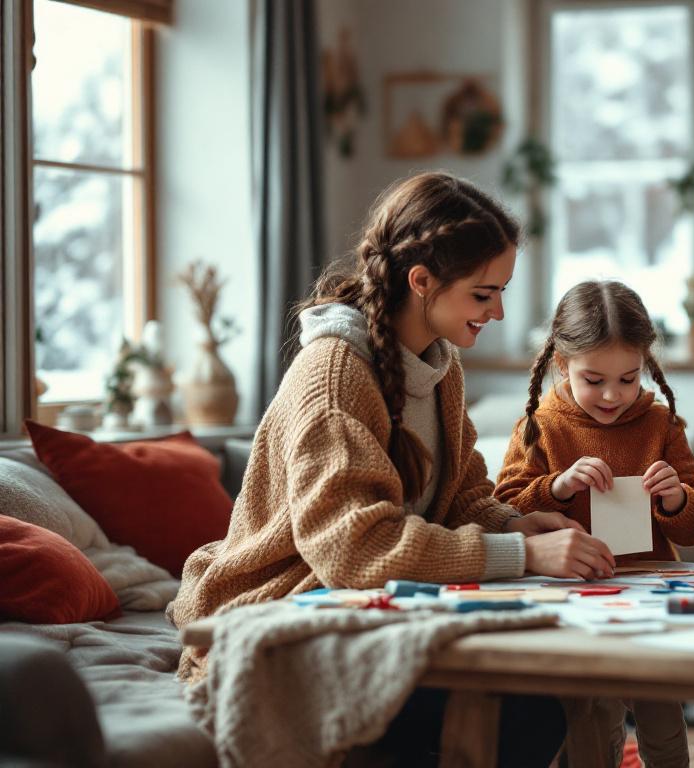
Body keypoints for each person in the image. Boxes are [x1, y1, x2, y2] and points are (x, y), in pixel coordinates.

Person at [168, 172, 615, 766]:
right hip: (285, 603)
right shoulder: (335, 376)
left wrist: (516, 525)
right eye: (484, 294)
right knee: (523, 710)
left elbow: (461, 498)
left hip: (367, 603)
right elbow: (353, 549)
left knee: (548, 686)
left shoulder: (439, 367)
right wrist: (522, 557)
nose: (500, 311)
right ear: (422, 281)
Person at [495, 279, 694, 768]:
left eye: (629, 378)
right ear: (561, 365)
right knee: (592, 718)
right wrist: (556, 487)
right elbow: (503, 510)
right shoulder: (542, 425)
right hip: (573, 597)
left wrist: (676, 499)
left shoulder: (661, 425)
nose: (613, 395)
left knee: (662, 718)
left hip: (650, 593)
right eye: (594, 381)